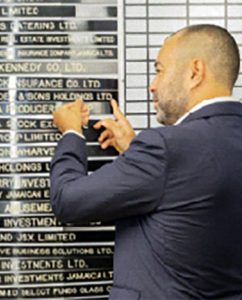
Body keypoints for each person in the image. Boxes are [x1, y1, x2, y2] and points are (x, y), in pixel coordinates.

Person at [51, 24, 242, 299]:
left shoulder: (165, 148)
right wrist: (133, 149)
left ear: (195, 72)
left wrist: (70, 133)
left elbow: (67, 200)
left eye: (159, 70)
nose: (153, 85)